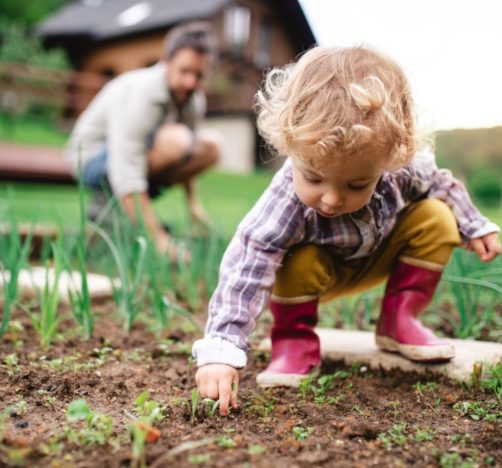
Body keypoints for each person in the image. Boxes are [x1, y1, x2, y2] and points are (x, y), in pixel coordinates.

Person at [192, 46, 501, 415]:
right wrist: (222, 349)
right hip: (315, 275)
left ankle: (399, 320)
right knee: (287, 256)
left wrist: (473, 225)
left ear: (388, 159)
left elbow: (443, 184)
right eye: (314, 177)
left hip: (377, 255)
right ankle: (293, 340)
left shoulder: (399, 168)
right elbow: (248, 261)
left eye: (357, 184)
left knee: (436, 215)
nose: (332, 199)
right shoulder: (285, 198)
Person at [66, 22, 221, 258]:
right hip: (91, 159)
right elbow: (127, 166)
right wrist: (159, 239)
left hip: (135, 157)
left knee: (211, 147)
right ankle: (113, 211)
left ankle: (125, 214)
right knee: (177, 140)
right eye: (184, 71)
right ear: (166, 63)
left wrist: (193, 205)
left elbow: (189, 155)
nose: (191, 82)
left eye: (199, 75)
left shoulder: (193, 99)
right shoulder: (140, 93)